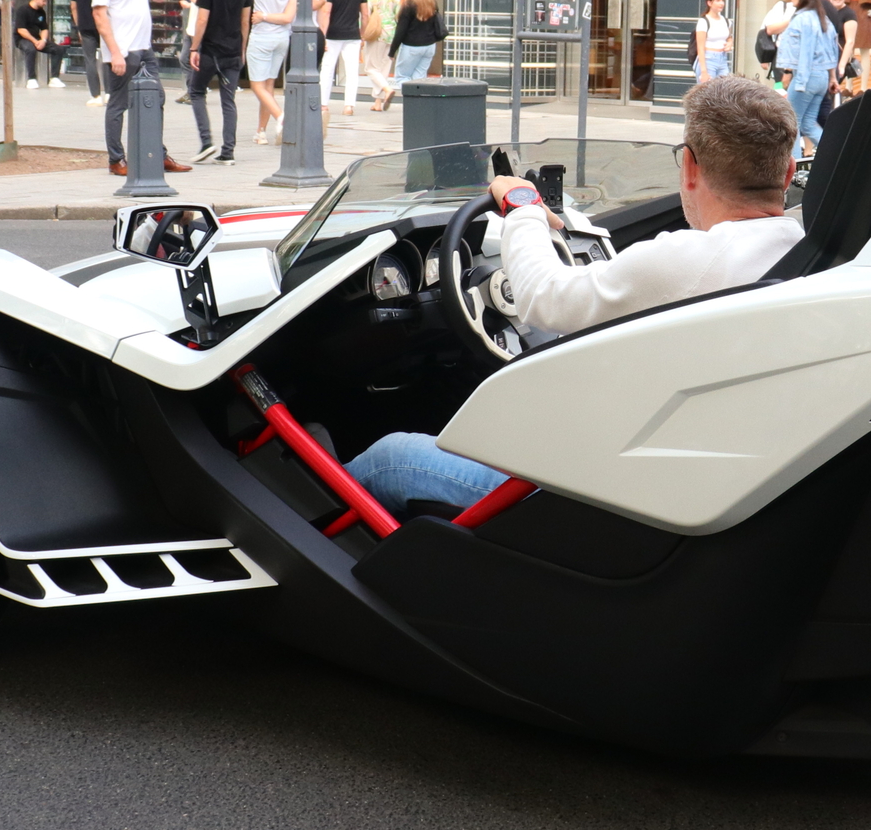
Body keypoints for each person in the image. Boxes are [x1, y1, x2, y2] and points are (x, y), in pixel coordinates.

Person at [343, 75, 805, 515]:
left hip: (601, 492)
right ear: (786, 172)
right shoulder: (806, 252)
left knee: (391, 457)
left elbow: (541, 297)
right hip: (696, 475)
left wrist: (522, 208)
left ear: (688, 167)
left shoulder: (689, 260)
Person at [93, 0, 193, 178]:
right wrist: (115, 52)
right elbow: (99, 14)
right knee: (118, 103)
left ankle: (157, 154)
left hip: (144, 47)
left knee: (156, 98)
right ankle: (116, 159)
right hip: (123, 49)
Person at [185, 0, 250, 164]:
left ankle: (206, 142)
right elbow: (245, 21)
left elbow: (202, 19)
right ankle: (228, 152)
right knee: (228, 101)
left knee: (196, 91)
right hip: (232, 52)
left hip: (210, 51)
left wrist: (194, 47)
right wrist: (242, 50)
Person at [774, 0, 838, 158]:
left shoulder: (803, 19)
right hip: (820, 78)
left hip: (806, 77)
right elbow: (832, 49)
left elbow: (806, 52)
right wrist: (832, 77)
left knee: (791, 123)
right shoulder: (821, 18)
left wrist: (797, 79)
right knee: (808, 122)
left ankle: (795, 172)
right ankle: (837, 155)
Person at [244, 0, 299, 144]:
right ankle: (261, 132)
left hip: (261, 33)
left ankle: (282, 117)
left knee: (257, 85)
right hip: (282, 35)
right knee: (268, 86)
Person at [383, 0, 444, 106]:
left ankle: (411, 104)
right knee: (420, 78)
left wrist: (392, 51)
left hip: (412, 46)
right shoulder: (431, 1)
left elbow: (401, 30)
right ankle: (420, 106)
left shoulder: (408, 4)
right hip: (429, 46)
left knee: (402, 77)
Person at [320, 0, 367, 113]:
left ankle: (323, 104)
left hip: (333, 34)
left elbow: (326, 11)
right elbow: (365, 14)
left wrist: (323, 35)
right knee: (352, 71)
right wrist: (363, 35)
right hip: (352, 34)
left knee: (327, 69)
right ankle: (349, 105)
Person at [361, 0, 401, 106]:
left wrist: (363, 33)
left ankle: (387, 89)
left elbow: (365, 15)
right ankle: (378, 102)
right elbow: (399, 15)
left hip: (376, 33)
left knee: (371, 68)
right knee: (384, 67)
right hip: (391, 34)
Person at [70, 0, 103, 105]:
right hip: (104, 24)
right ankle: (109, 93)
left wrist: (78, 26)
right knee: (108, 58)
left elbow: (73, 7)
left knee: (90, 60)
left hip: (85, 26)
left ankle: (95, 95)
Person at [14, 0, 56, 88]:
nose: (45, 3)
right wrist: (35, 41)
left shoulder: (41, 12)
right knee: (30, 49)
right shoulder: (22, 10)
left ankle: (55, 78)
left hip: (37, 39)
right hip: (23, 39)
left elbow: (44, 28)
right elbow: (21, 30)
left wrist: (43, 40)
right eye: (43, 0)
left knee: (57, 49)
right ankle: (31, 78)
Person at [692, 0, 733, 78]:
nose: (721, 3)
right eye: (718, 1)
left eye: (722, 0)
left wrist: (730, 43)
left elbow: (728, 37)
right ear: (709, 3)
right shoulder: (704, 22)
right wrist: (704, 72)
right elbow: (700, 47)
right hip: (708, 59)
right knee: (708, 90)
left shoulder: (726, 21)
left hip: (722, 59)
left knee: (725, 88)